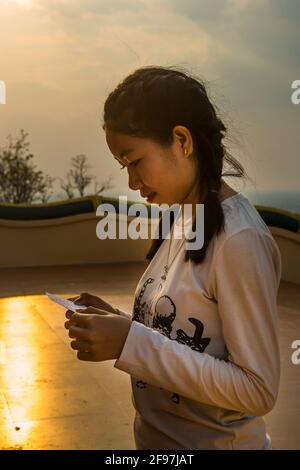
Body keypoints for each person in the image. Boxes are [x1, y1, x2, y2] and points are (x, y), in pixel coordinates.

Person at [64, 66, 282, 450]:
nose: (131, 182)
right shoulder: (183, 217)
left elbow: (258, 389)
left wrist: (130, 343)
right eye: (123, 166)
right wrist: (123, 324)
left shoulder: (239, 240)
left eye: (134, 161)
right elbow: (187, 335)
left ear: (181, 140)